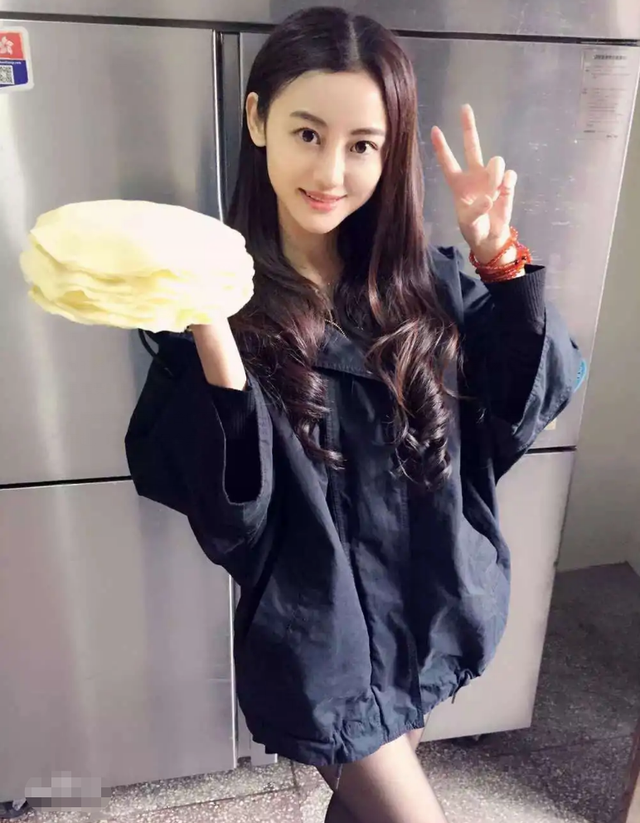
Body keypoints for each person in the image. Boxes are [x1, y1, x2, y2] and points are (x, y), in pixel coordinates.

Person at [126, 7, 583, 822]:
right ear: (258, 119)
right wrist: (215, 338)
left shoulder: (423, 286)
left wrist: (498, 258)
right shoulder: (210, 299)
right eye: (307, 133)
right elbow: (233, 518)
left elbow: (520, 403)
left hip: (428, 609)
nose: (331, 170)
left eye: (362, 144)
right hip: (325, 644)